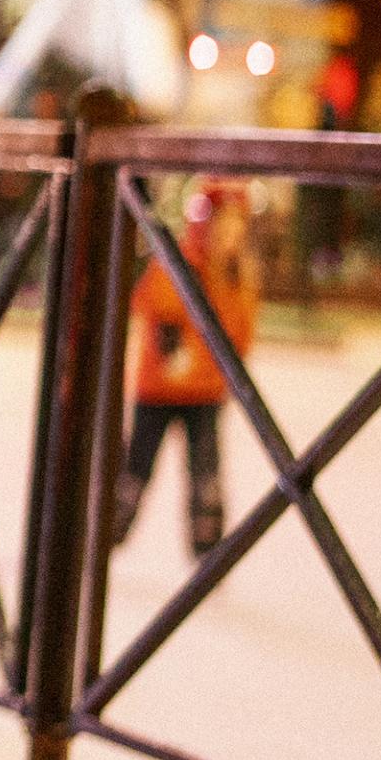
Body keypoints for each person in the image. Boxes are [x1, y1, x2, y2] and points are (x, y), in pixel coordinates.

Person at [114, 185, 253, 556]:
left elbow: (242, 330)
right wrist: (172, 349)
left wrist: (234, 374)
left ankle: (208, 546)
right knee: (136, 468)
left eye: (236, 228)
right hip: (159, 389)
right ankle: (109, 531)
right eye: (222, 227)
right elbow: (159, 307)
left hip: (206, 392)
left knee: (205, 472)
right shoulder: (179, 262)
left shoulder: (240, 274)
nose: (230, 237)